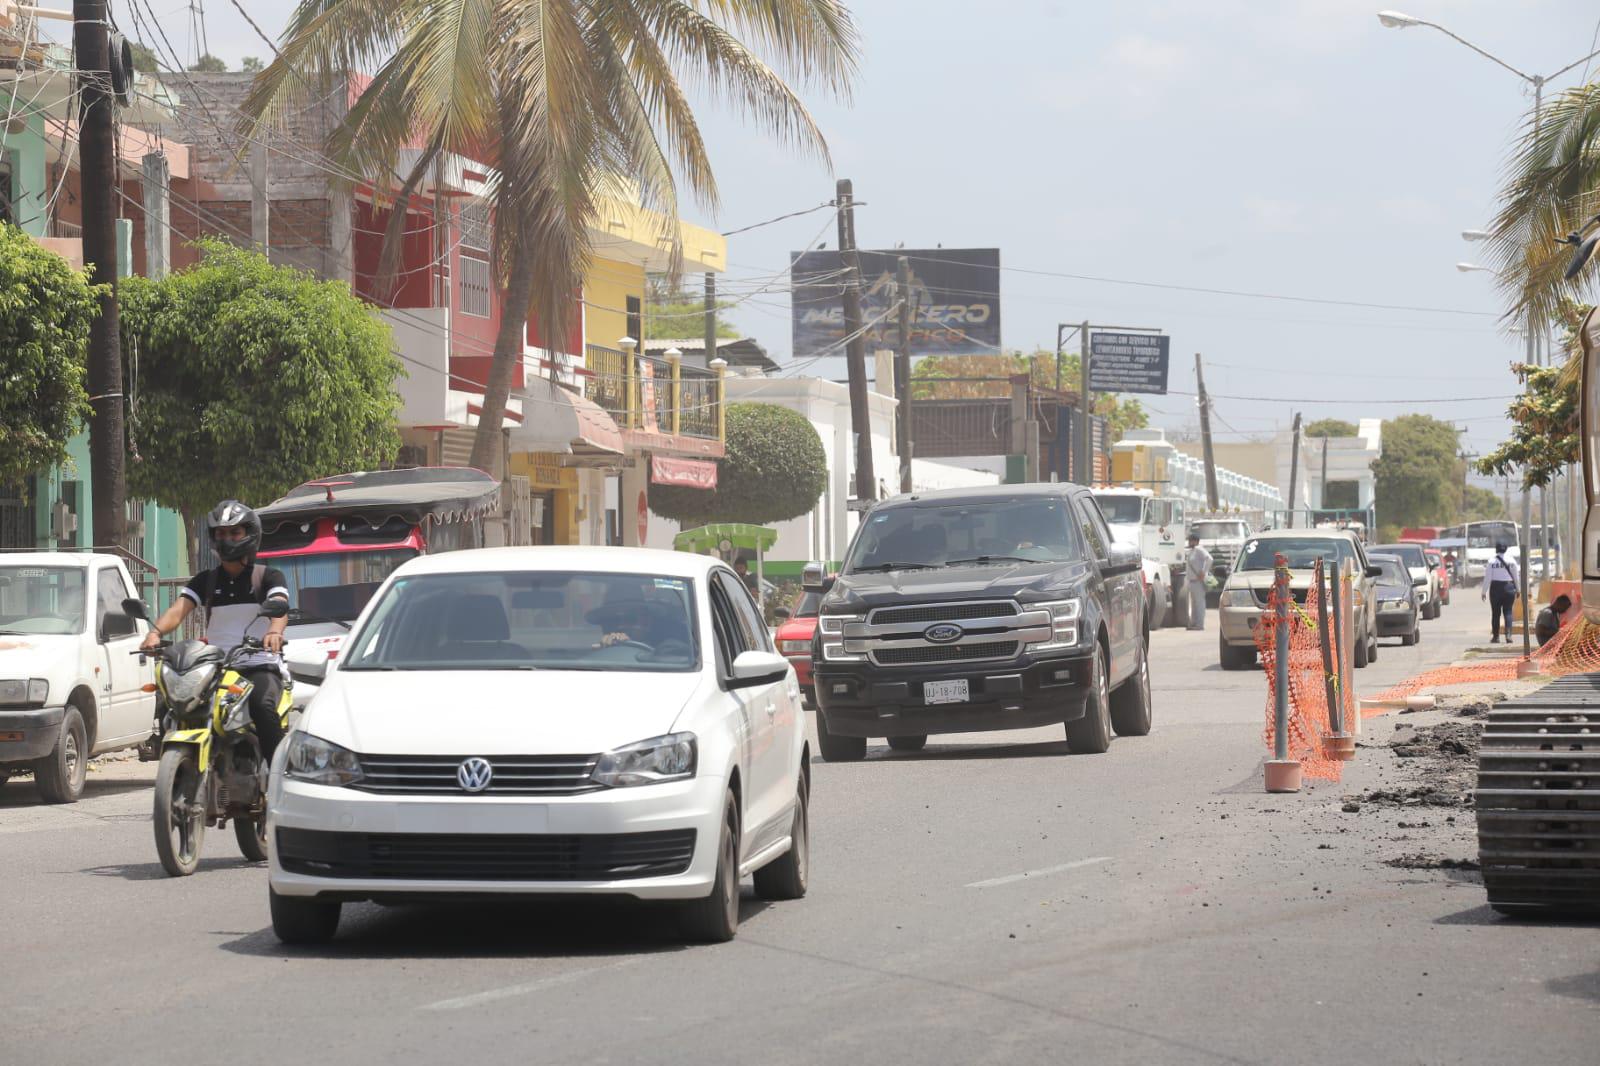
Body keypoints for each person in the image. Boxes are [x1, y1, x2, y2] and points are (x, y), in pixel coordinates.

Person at [140, 500, 290, 760]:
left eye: (234, 532)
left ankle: (278, 772)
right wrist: (155, 633)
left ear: (250, 534)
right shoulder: (206, 580)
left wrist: (274, 632)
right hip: (215, 668)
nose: (227, 539)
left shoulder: (268, 577)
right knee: (172, 703)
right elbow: (178, 611)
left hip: (259, 664)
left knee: (262, 705)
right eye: (221, 533)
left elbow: (280, 607)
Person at [1481, 541, 1520, 644]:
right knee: (1508, 612)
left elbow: (1487, 578)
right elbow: (1516, 577)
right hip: (1509, 588)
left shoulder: (1491, 562)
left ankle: (1496, 637)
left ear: (1496, 549)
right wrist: (1518, 589)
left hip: (1495, 588)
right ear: (1506, 549)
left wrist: (1484, 592)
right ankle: (1508, 636)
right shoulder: (1512, 561)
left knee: (1496, 613)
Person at [1184, 532, 1213, 631]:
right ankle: (1193, 623)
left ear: (1195, 541)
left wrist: (1203, 572)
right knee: (1194, 604)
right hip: (1192, 581)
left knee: (1199, 603)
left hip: (1198, 581)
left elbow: (1209, 559)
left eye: (1190, 540)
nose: (1189, 542)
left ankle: (1200, 624)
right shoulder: (1192, 551)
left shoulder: (1199, 549)